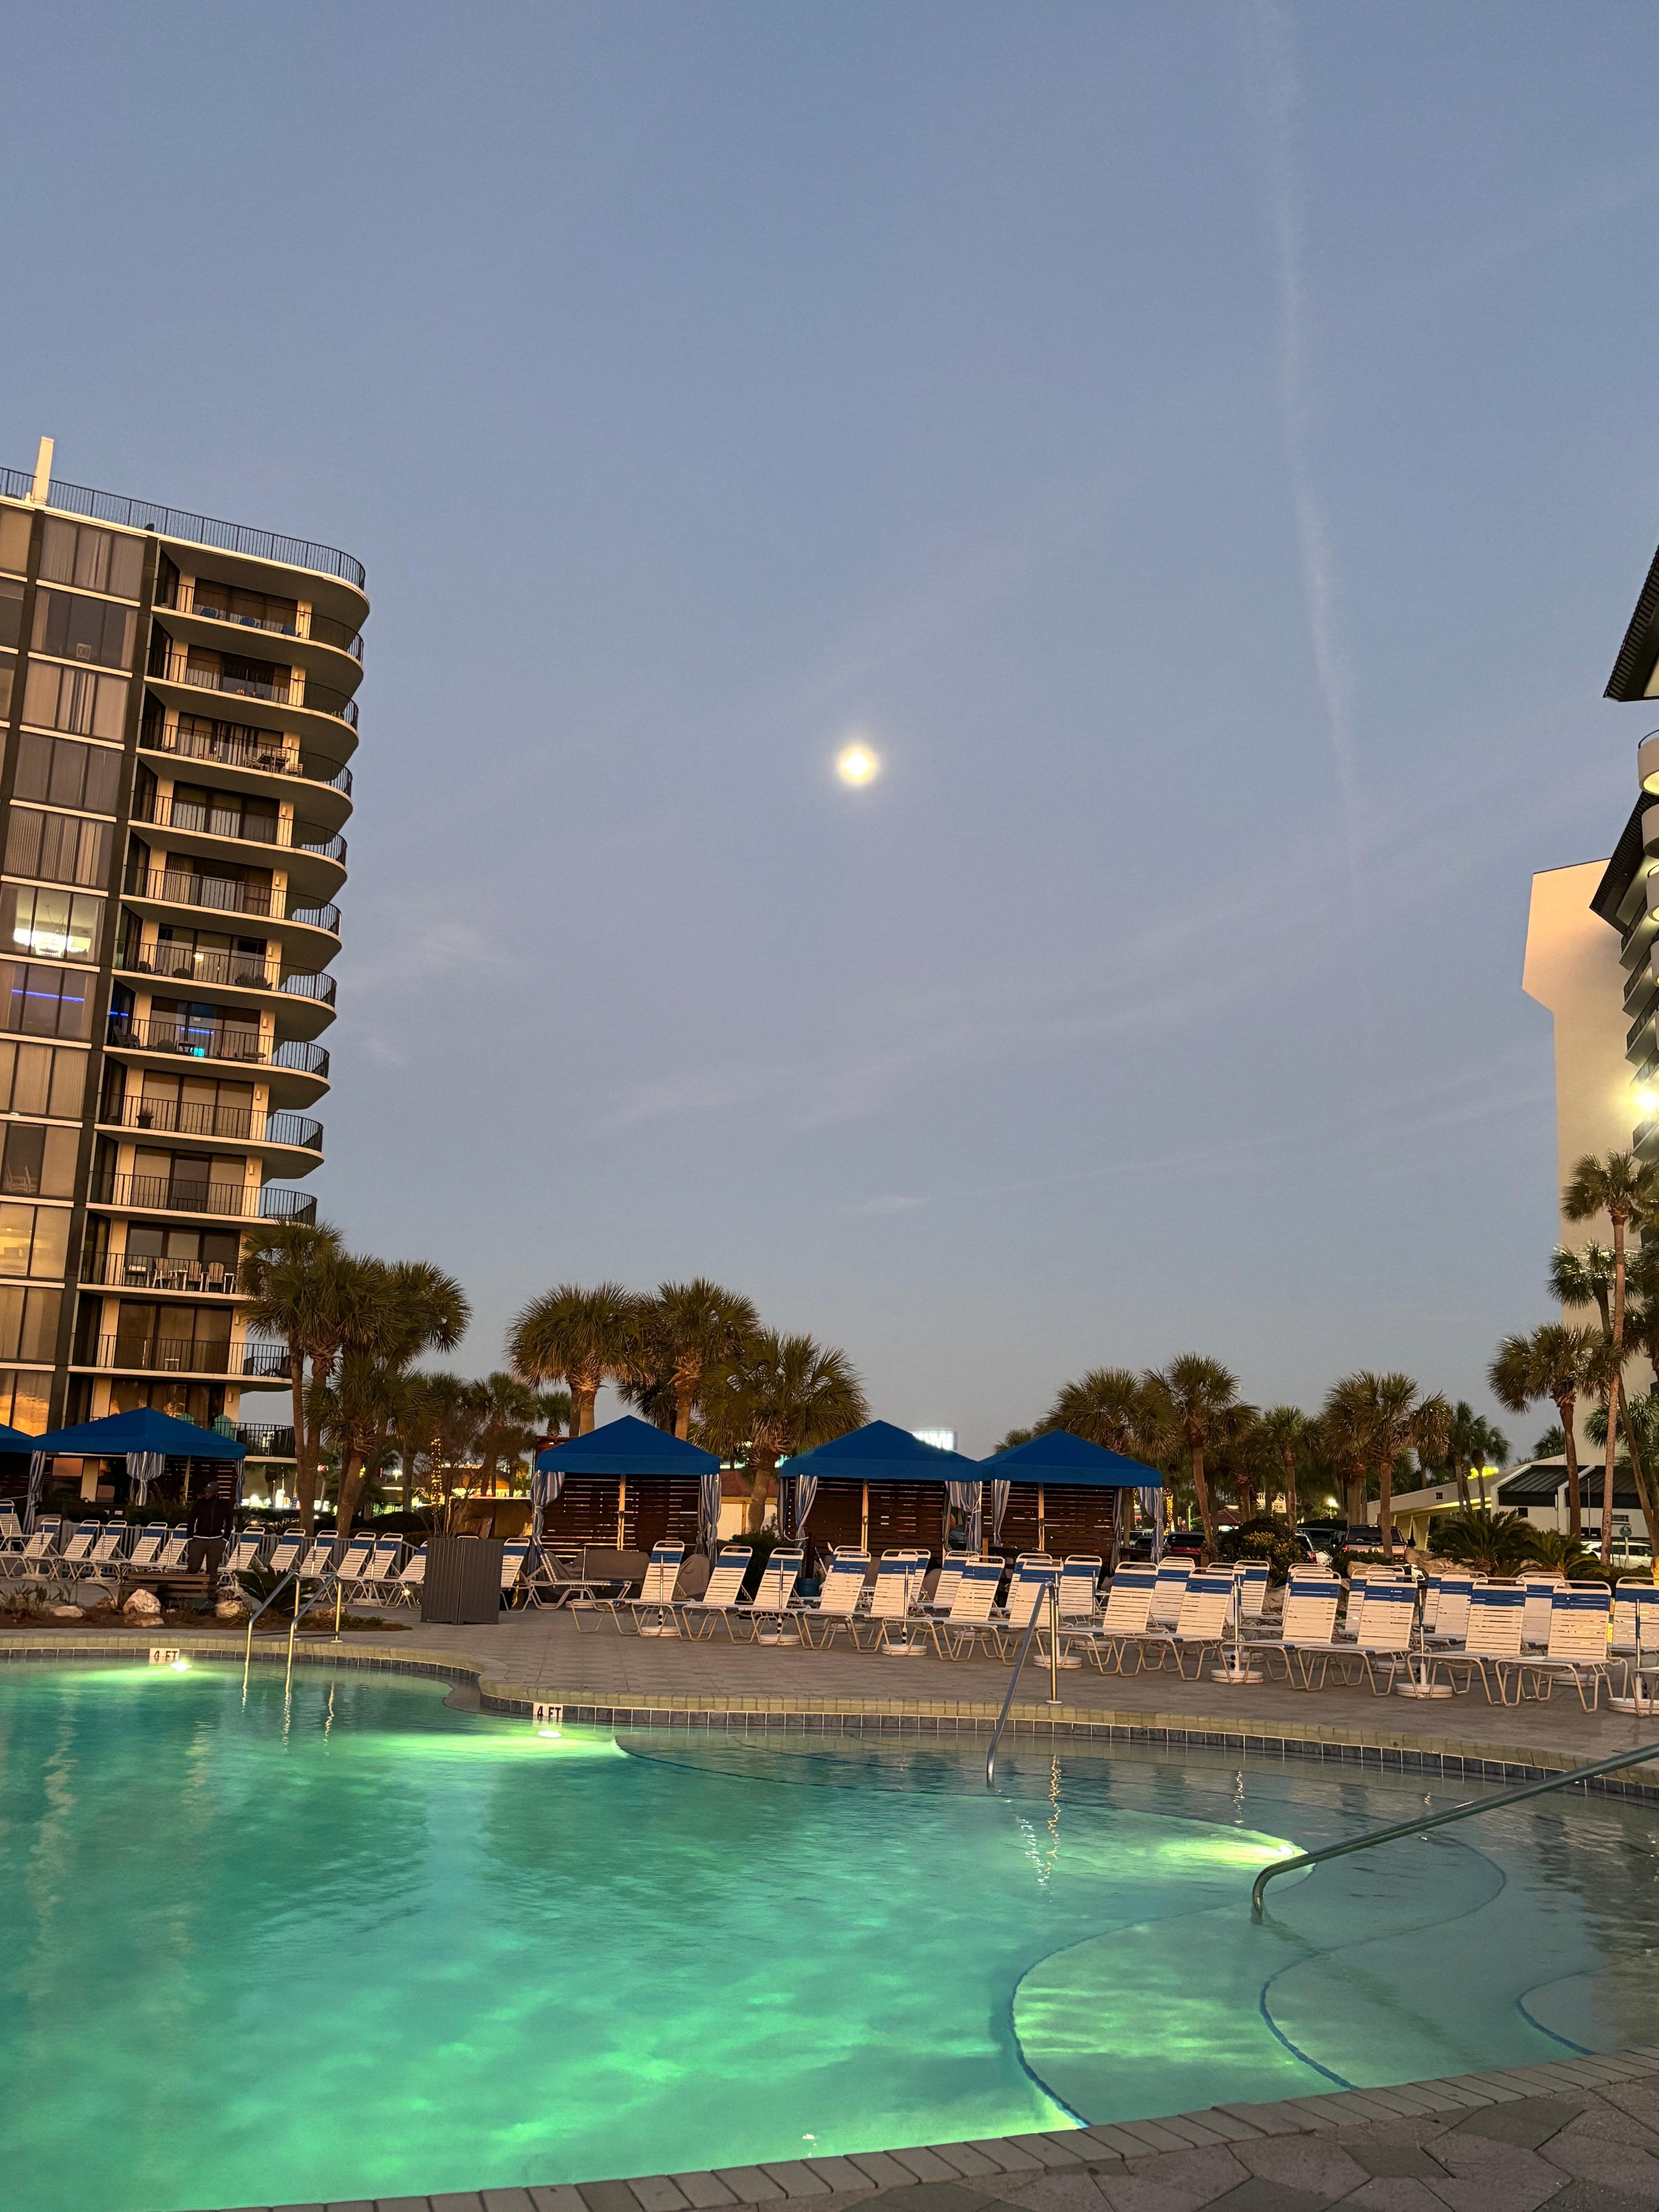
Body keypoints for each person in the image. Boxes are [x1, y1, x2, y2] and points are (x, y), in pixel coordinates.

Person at [186, 1484, 233, 1583]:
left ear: (215, 1493)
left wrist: (225, 1538)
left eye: (209, 1492)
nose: (206, 1494)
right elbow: (191, 1518)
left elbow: (229, 1520)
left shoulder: (223, 1504)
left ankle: (209, 1592)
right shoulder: (201, 1503)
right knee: (194, 1567)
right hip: (199, 1539)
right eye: (206, 1492)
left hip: (217, 1540)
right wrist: (190, 1536)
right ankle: (187, 1589)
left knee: (212, 1570)